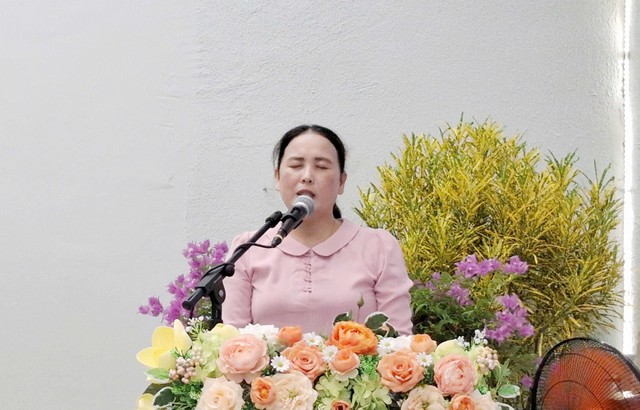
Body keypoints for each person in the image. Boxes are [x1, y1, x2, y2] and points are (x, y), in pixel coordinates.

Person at [221, 125, 414, 335]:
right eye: (296, 165)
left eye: (321, 166)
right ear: (277, 177)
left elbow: (399, 340)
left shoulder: (379, 247)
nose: (307, 176)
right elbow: (233, 339)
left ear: (341, 181)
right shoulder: (248, 248)